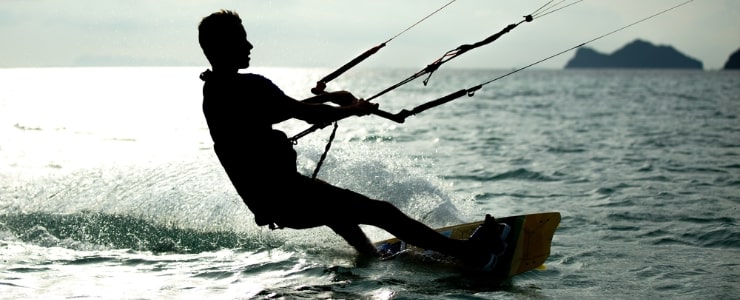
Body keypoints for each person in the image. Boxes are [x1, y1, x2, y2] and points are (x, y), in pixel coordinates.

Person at [197, 9, 509, 270]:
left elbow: (283, 111)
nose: (249, 44)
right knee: (381, 212)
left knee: (337, 212)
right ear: (224, 45)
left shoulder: (215, 91)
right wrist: (352, 110)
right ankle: (471, 254)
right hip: (286, 197)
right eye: (241, 39)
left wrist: (333, 98)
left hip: (274, 201)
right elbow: (307, 115)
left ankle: (369, 256)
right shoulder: (247, 87)